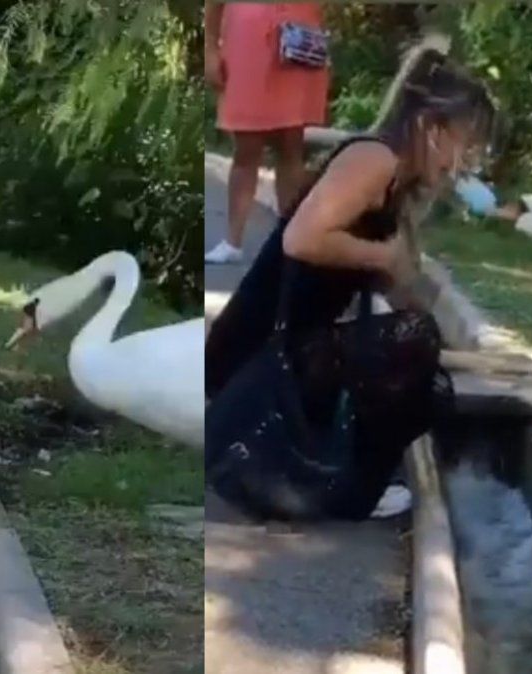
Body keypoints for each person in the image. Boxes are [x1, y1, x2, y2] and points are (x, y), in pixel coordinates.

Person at [206, 44, 496, 521]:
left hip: (295, 347)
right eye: (464, 144)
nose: (463, 163)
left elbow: (399, 290)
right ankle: (359, 488)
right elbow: (301, 240)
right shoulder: (372, 159)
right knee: (411, 343)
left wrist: (406, 270)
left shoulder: (396, 182)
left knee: (419, 350)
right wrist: (383, 254)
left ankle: (351, 468)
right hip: (257, 353)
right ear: (430, 127)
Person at [204, 1, 330, 265]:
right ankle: (232, 241)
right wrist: (211, 51)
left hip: (297, 41)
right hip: (247, 45)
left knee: (291, 145)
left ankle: (289, 238)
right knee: (247, 146)